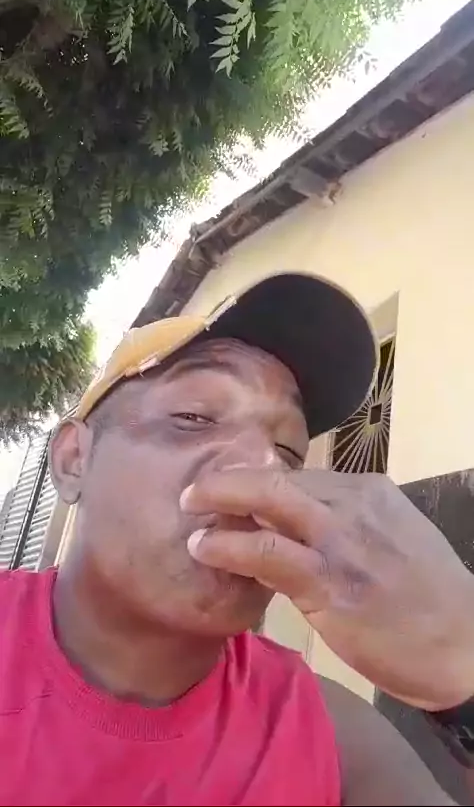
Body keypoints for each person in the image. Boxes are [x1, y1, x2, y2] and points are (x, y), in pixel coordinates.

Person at [1, 272, 473, 807]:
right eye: (194, 417)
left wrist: (464, 682)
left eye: (290, 451)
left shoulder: (332, 739)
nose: (262, 465)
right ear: (73, 459)